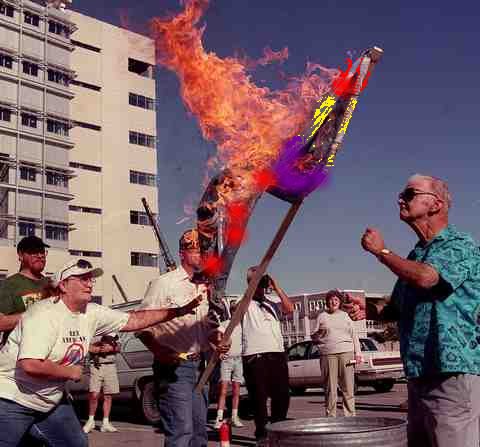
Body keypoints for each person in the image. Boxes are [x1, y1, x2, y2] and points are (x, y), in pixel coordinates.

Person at [0, 258, 202, 447]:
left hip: (48, 400)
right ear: (63, 285)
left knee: (77, 444)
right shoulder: (42, 315)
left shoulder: (92, 312)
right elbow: (30, 364)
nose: (90, 283)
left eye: (91, 279)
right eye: (82, 279)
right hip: (12, 398)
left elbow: (135, 320)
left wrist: (177, 311)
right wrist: (71, 372)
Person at [349, 174, 480, 447]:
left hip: (450, 371)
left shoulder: (459, 244)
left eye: (409, 193)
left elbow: (428, 278)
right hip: (419, 373)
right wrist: (369, 309)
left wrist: (381, 252)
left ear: (435, 205)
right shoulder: (417, 254)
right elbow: (395, 307)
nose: (400, 199)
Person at [136, 229, 229, 447]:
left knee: (199, 435)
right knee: (181, 433)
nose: (200, 254)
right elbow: (141, 325)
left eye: (203, 249)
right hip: (174, 368)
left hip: (202, 367)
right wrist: (159, 351)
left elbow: (210, 326)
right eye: (195, 249)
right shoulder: (164, 283)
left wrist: (217, 339)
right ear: (182, 254)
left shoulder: (208, 287)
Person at [241, 266, 294, 447]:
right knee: (259, 398)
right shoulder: (245, 303)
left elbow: (290, 308)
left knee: (282, 396)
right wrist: (253, 281)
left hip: (276, 354)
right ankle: (261, 435)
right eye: (258, 282)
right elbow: (243, 301)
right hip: (255, 356)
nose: (262, 287)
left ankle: (278, 431)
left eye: (263, 282)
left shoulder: (272, 302)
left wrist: (276, 287)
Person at [311, 289, 362, 417]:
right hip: (328, 354)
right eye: (331, 300)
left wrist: (358, 353)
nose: (333, 302)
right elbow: (314, 337)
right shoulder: (322, 316)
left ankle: (350, 416)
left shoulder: (345, 316)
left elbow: (354, 335)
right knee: (330, 388)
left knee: (348, 388)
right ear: (327, 302)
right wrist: (318, 334)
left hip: (346, 352)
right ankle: (330, 418)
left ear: (339, 302)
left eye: (336, 300)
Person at [0, 236, 55, 344]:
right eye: (34, 252)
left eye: (42, 252)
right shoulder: (10, 284)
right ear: (21, 255)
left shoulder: (51, 284)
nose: (40, 256)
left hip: (48, 350)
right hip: (18, 353)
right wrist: (34, 314)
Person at [213, 300, 244, 429]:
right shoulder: (225, 324)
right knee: (224, 390)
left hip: (238, 360)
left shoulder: (242, 326)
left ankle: (234, 416)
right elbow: (217, 337)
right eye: (234, 311)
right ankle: (219, 418)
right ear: (231, 312)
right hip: (227, 360)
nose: (237, 313)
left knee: (237, 390)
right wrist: (219, 349)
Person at [83, 334, 121, 434]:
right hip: (96, 365)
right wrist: (99, 349)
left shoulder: (113, 332)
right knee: (94, 394)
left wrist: (111, 347)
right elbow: (86, 346)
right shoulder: (92, 331)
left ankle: (106, 423)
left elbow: (119, 347)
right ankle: (91, 421)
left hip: (110, 366)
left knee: (108, 395)